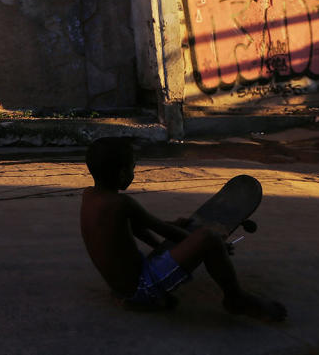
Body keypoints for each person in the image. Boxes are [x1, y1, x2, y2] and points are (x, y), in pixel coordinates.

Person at [79, 137, 286, 321]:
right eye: (133, 168)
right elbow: (164, 231)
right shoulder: (121, 203)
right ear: (123, 173)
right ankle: (235, 299)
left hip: (122, 287)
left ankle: (139, 298)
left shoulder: (90, 196)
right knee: (208, 238)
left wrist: (169, 238)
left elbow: (137, 228)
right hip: (141, 287)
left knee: (184, 234)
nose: (134, 173)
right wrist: (210, 243)